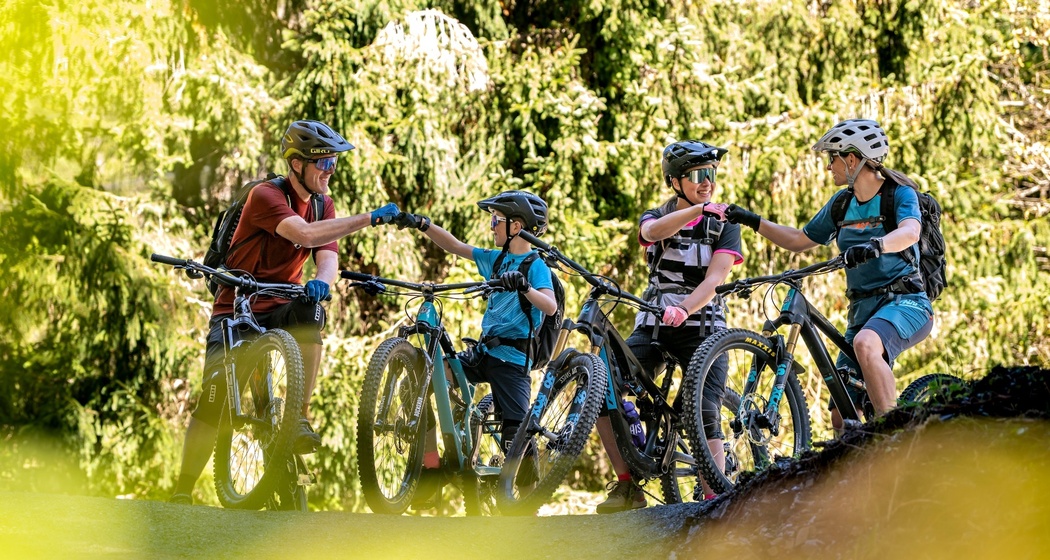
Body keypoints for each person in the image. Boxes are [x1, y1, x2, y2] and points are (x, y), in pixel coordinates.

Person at [169, 120, 403, 504]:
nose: (331, 171)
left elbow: (327, 257)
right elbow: (306, 236)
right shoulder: (266, 195)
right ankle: (182, 490)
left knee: (313, 315)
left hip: (281, 303)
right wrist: (370, 218)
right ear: (297, 165)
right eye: (324, 163)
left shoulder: (322, 204)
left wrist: (322, 283)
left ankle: (299, 417)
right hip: (238, 307)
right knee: (213, 400)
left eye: (333, 164)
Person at [724, 118, 934, 429]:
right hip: (861, 312)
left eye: (831, 158)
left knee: (866, 344)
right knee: (841, 415)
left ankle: (895, 437)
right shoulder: (842, 204)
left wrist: (876, 245)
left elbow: (910, 232)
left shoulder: (898, 194)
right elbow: (798, 240)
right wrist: (751, 220)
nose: (828, 167)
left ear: (852, 159)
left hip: (906, 303)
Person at [595, 140, 743, 514]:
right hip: (653, 325)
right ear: (675, 181)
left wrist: (685, 307)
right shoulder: (657, 214)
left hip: (704, 327)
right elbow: (652, 233)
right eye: (698, 175)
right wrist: (697, 210)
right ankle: (628, 484)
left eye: (711, 174)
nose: (708, 182)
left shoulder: (725, 223)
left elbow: (715, 279)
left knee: (704, 408)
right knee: (601, 383)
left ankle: (716, 501)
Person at [387, 190, 557, 465]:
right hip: (482, 353)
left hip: (512, 362)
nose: (491, 226)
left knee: (516, 442)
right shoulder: (496, 259)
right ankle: (430, 464)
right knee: (416, 385)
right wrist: (422, 223)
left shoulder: (535, 265)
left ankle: (527, 504)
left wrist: (524, 286)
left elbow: (550, 306)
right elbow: (455, 246)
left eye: (495, 220)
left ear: (516, 226)